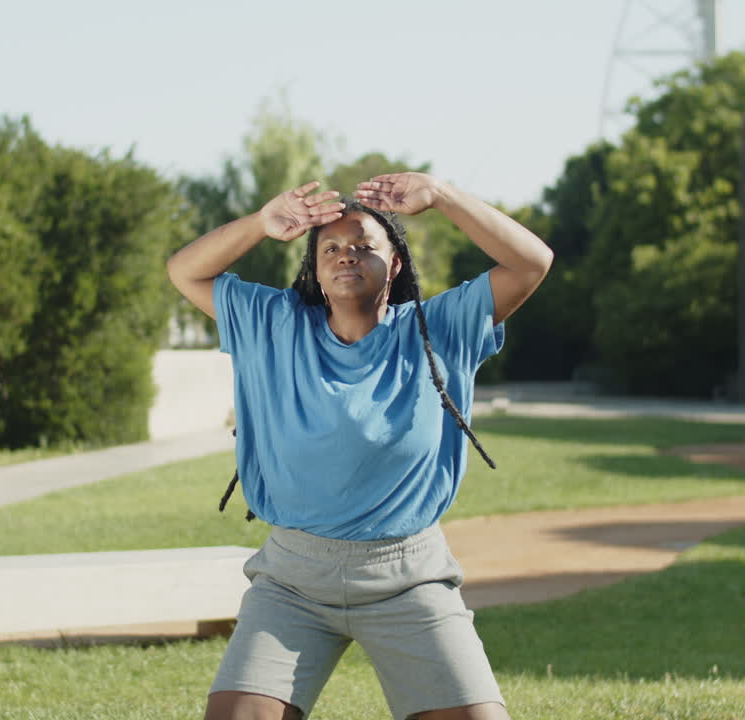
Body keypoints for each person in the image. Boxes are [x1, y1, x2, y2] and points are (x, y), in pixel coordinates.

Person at [167, 172, 552, 720]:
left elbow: (531, 262)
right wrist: (260, 222)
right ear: (316, 268)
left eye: (364, 246)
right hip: (293, 583)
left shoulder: (439, 328)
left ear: (394, 265)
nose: (346, 255)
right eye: (331, 248)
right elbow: (184, 270)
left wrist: (441, 196)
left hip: (409, 580)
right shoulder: (272, 324)